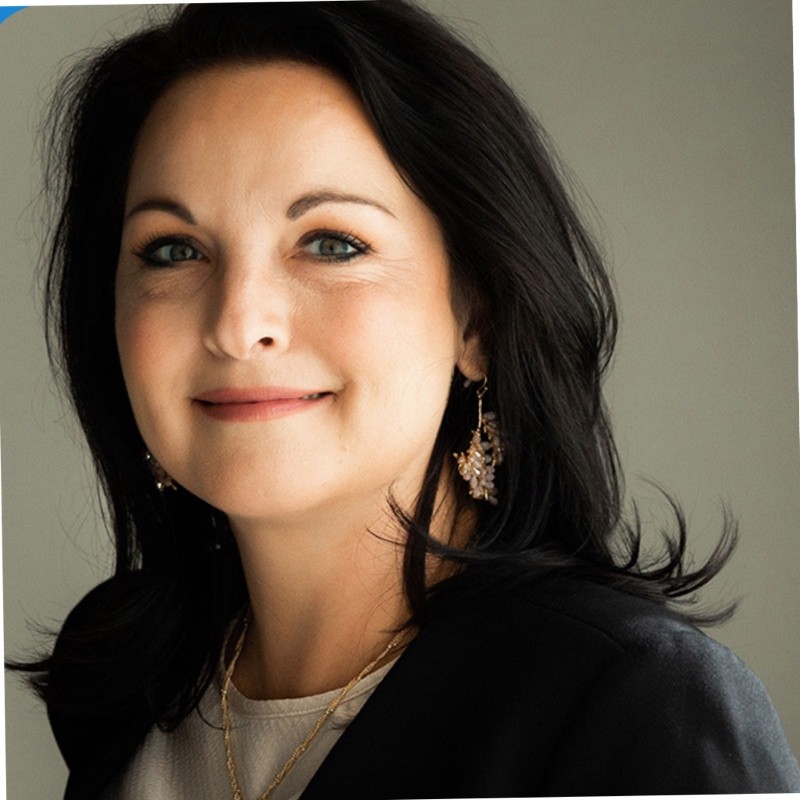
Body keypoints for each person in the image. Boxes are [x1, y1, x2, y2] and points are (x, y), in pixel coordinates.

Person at [8, 2, 800, 798]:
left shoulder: (632, 704)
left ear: (479, 313)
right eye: (173, 250)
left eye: (331, 243)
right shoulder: (119, 690)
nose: (239, 323)